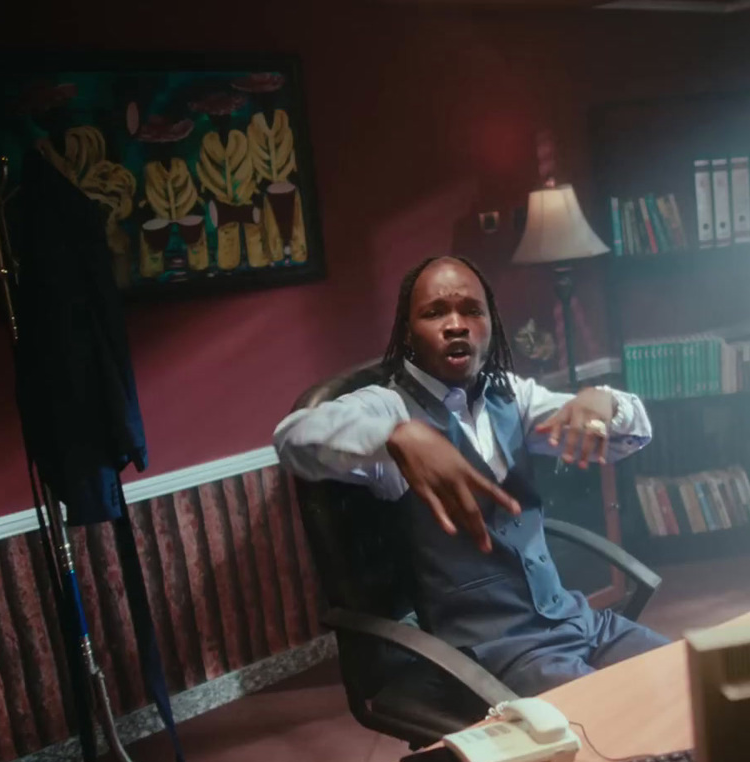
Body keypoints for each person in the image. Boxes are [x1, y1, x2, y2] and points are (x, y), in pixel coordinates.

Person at [275, 255, 669, 697]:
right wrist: (396, 436)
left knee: (685, 678)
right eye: (435, 312)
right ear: (408, 332)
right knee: (616, 713)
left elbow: (633, 434)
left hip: (576, 620)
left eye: (471, 311)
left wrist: (603, 400)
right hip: (494, 654)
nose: (456, 324)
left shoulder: (512, 395)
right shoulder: (387, 406)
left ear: (490, 324)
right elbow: (293, 439)